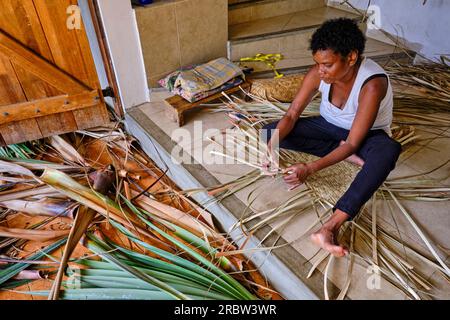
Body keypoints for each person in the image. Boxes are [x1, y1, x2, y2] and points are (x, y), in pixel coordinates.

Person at [263, 18, 401, 258]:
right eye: (317, 63)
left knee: (386, 152)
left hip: (367, 136)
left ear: (351, 57)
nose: (320, 70)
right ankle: (344, 155)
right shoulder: (319, 74)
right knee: (270, 131)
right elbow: (292, 114)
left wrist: (311, 168)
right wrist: (271, 148)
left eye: (327, 64)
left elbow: (352, 142)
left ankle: (331, 226)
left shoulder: (372, 84)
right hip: (328, 128)